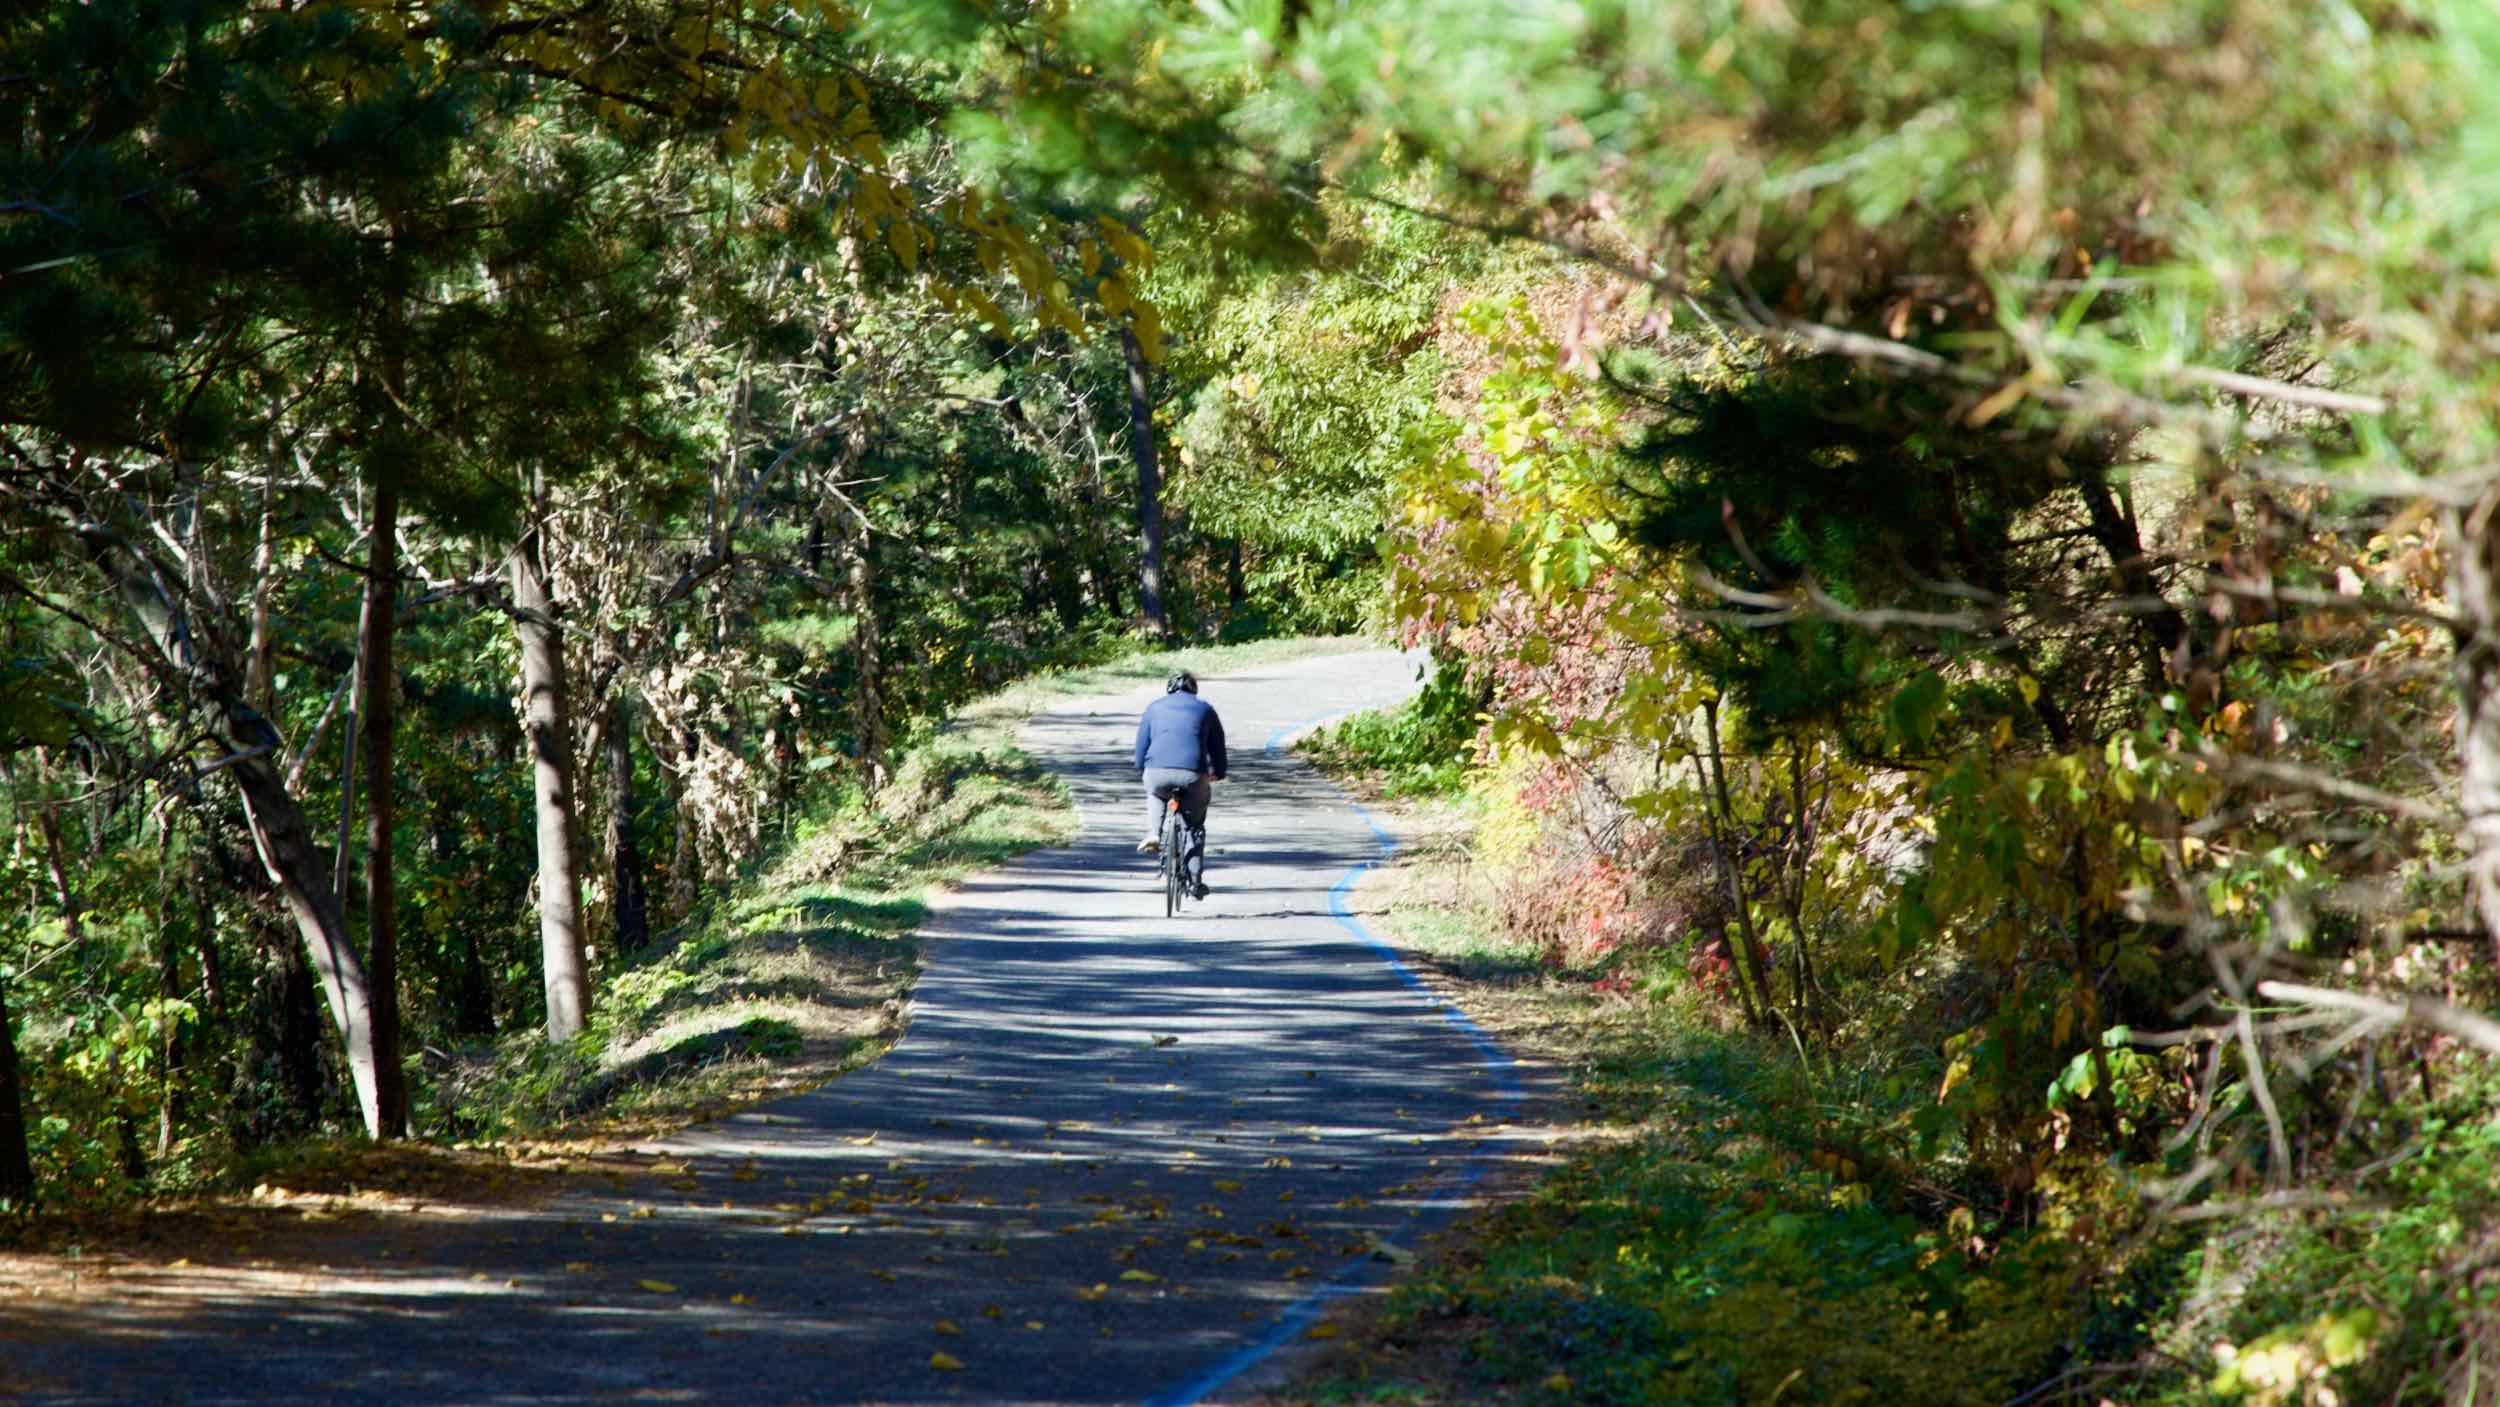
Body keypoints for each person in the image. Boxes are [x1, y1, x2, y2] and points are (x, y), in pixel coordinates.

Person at [1134, 669, 1227, 900]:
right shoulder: (1205, 709)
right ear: (1193, 689)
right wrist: (1219, 772)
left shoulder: (1153, 708)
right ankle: (1196, 881)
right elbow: (1218, 748)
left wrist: (1141, 768)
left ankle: (1154, 833)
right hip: (1193, 775)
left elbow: (1140, 747)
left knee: (1155, 794)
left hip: (1157, 772)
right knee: (1194, 826)